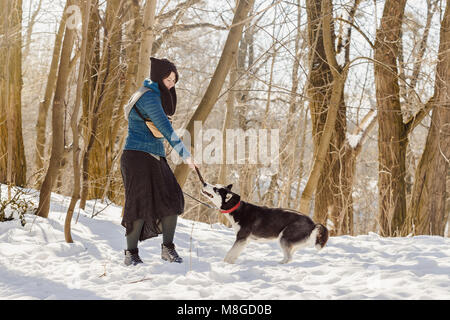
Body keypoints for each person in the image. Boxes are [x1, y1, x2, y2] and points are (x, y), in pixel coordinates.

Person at [121, 57, 197, 266]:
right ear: (158, 76)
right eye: (168, 78)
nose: (172, 83)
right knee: (137, 205)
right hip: (136, 156)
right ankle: (131, 254)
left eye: (174, 80)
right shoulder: (148, 97)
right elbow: (166, 129)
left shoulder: (155, 94)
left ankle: (168, 249)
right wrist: (185, 155)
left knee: (172, 197)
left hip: (154, 156)